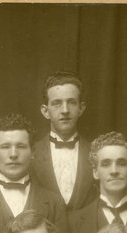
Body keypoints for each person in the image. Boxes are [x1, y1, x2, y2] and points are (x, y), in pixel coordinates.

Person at [32, 71, 95, 211]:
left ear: (81, 108)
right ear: (45, 111)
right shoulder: (30, 153)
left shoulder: (97, 153)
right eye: (57, 103)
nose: (65, 110)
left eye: (71, 102)